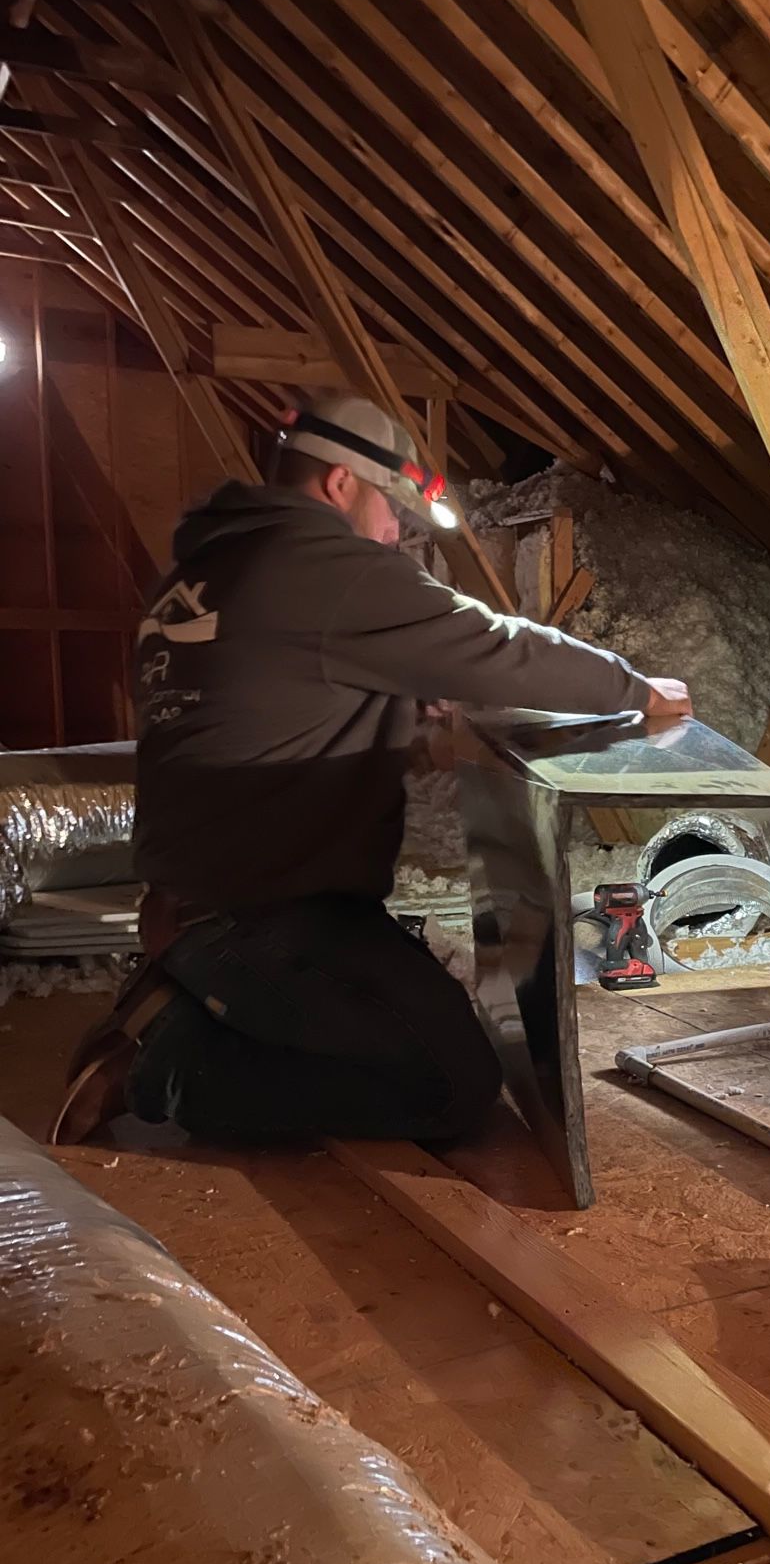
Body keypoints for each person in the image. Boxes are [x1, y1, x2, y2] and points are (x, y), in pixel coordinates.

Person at [52, 394, 689, 1148]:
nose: (393, 534)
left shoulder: (199, 575)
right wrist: (636, 687)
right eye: (390, 510)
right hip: (267, 919)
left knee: (423, 1032)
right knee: (449, 1086)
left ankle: (184, 998)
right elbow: (497, 646)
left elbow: (259, 702)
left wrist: (388, 711)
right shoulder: (326, 567)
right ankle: (161, 1066)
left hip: (192, 903)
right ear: (339, 485)